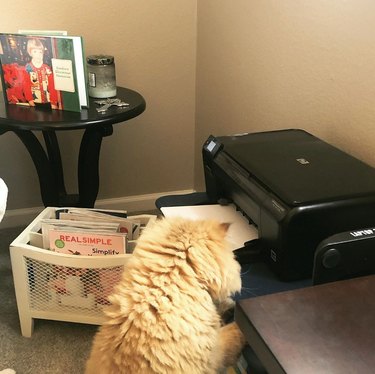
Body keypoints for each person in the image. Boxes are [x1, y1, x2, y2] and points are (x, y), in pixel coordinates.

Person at [23, 38, 60, 109]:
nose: (38, 55)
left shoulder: (47, 68)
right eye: (35, 51)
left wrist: (54, 102)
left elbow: (52, 86)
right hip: (35, 101)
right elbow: (26, 85)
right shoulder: (28, 68)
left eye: (40, 52)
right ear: (30, 53)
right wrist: (30, 99)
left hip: (48, 102)